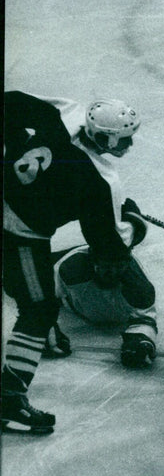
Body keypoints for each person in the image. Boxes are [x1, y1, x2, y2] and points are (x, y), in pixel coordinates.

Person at [2, 90, 149, 434]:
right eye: (124, 140)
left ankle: (38, 338)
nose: (128, 147)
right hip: (17, 230)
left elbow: (9, 100)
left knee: (29, 292)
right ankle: (8, 399)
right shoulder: (102, 180)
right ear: (106, 137)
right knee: (38, 307)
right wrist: (134, 221)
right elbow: (110, 247)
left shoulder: (64, 112)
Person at [50, 239, 158, 363]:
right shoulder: (71, 268)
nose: (113, 273)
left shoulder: (139, 285)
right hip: (59, 265)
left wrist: (141, 341)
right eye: (106, 266)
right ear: (93, 261)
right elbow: (39, 297)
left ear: (128, 263)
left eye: (119, 266)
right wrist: (45, 330)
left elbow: (144, 319)